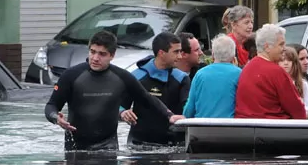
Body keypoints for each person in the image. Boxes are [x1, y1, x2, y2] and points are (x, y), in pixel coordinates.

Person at [45, 30, 183, 151]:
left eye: (102, 54)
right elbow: (51, 105)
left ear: (112, 55)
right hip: (75, 148)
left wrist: (169, 115)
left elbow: (147, 98)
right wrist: (56, 118)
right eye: (92, 52)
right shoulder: (71, 75)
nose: (95, 58)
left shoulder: (122, 77)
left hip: (108, 148)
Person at [123, 32, 191, 146]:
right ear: (161, 53)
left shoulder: (182, 78)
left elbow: (187, 109)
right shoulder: (136, 76)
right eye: (176, 52)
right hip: (138, 143)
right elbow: (120, 105)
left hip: (172, 144)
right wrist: (123, 112)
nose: (180, 56)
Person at [234, 24, 307, 120]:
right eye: (281, 44)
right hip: (274, 129)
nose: (285, 48)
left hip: (246, 128)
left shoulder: (246, 69)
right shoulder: (276, 72)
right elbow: (296, 108)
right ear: (267, 47)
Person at [183, 35, 241, 118]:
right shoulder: (239, 74)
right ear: (233, 56)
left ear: (213, 55)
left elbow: (189, 108)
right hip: (229, 126)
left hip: (201, 127)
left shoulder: (200, 74)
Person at [280, 46, 308, 115]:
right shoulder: (275, 83)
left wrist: (299, 113)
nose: (286, 63)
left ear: (295, 63)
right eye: (282, 60)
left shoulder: (303, 83)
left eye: (289, 60)